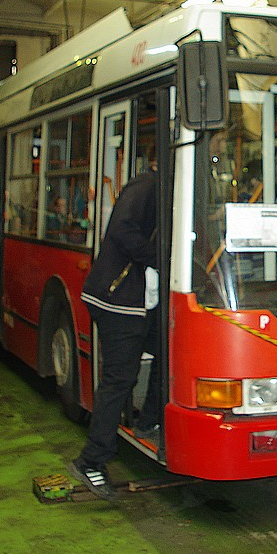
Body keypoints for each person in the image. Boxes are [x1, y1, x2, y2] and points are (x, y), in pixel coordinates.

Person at [69, 170, 158, 500]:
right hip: (117, 300)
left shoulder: (164, 187)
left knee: (164, 352)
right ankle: (91, 460)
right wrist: (160, 260)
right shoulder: (149, 185)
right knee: (119, 379)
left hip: (137, 302)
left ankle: (149, 421)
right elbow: (121, 229)